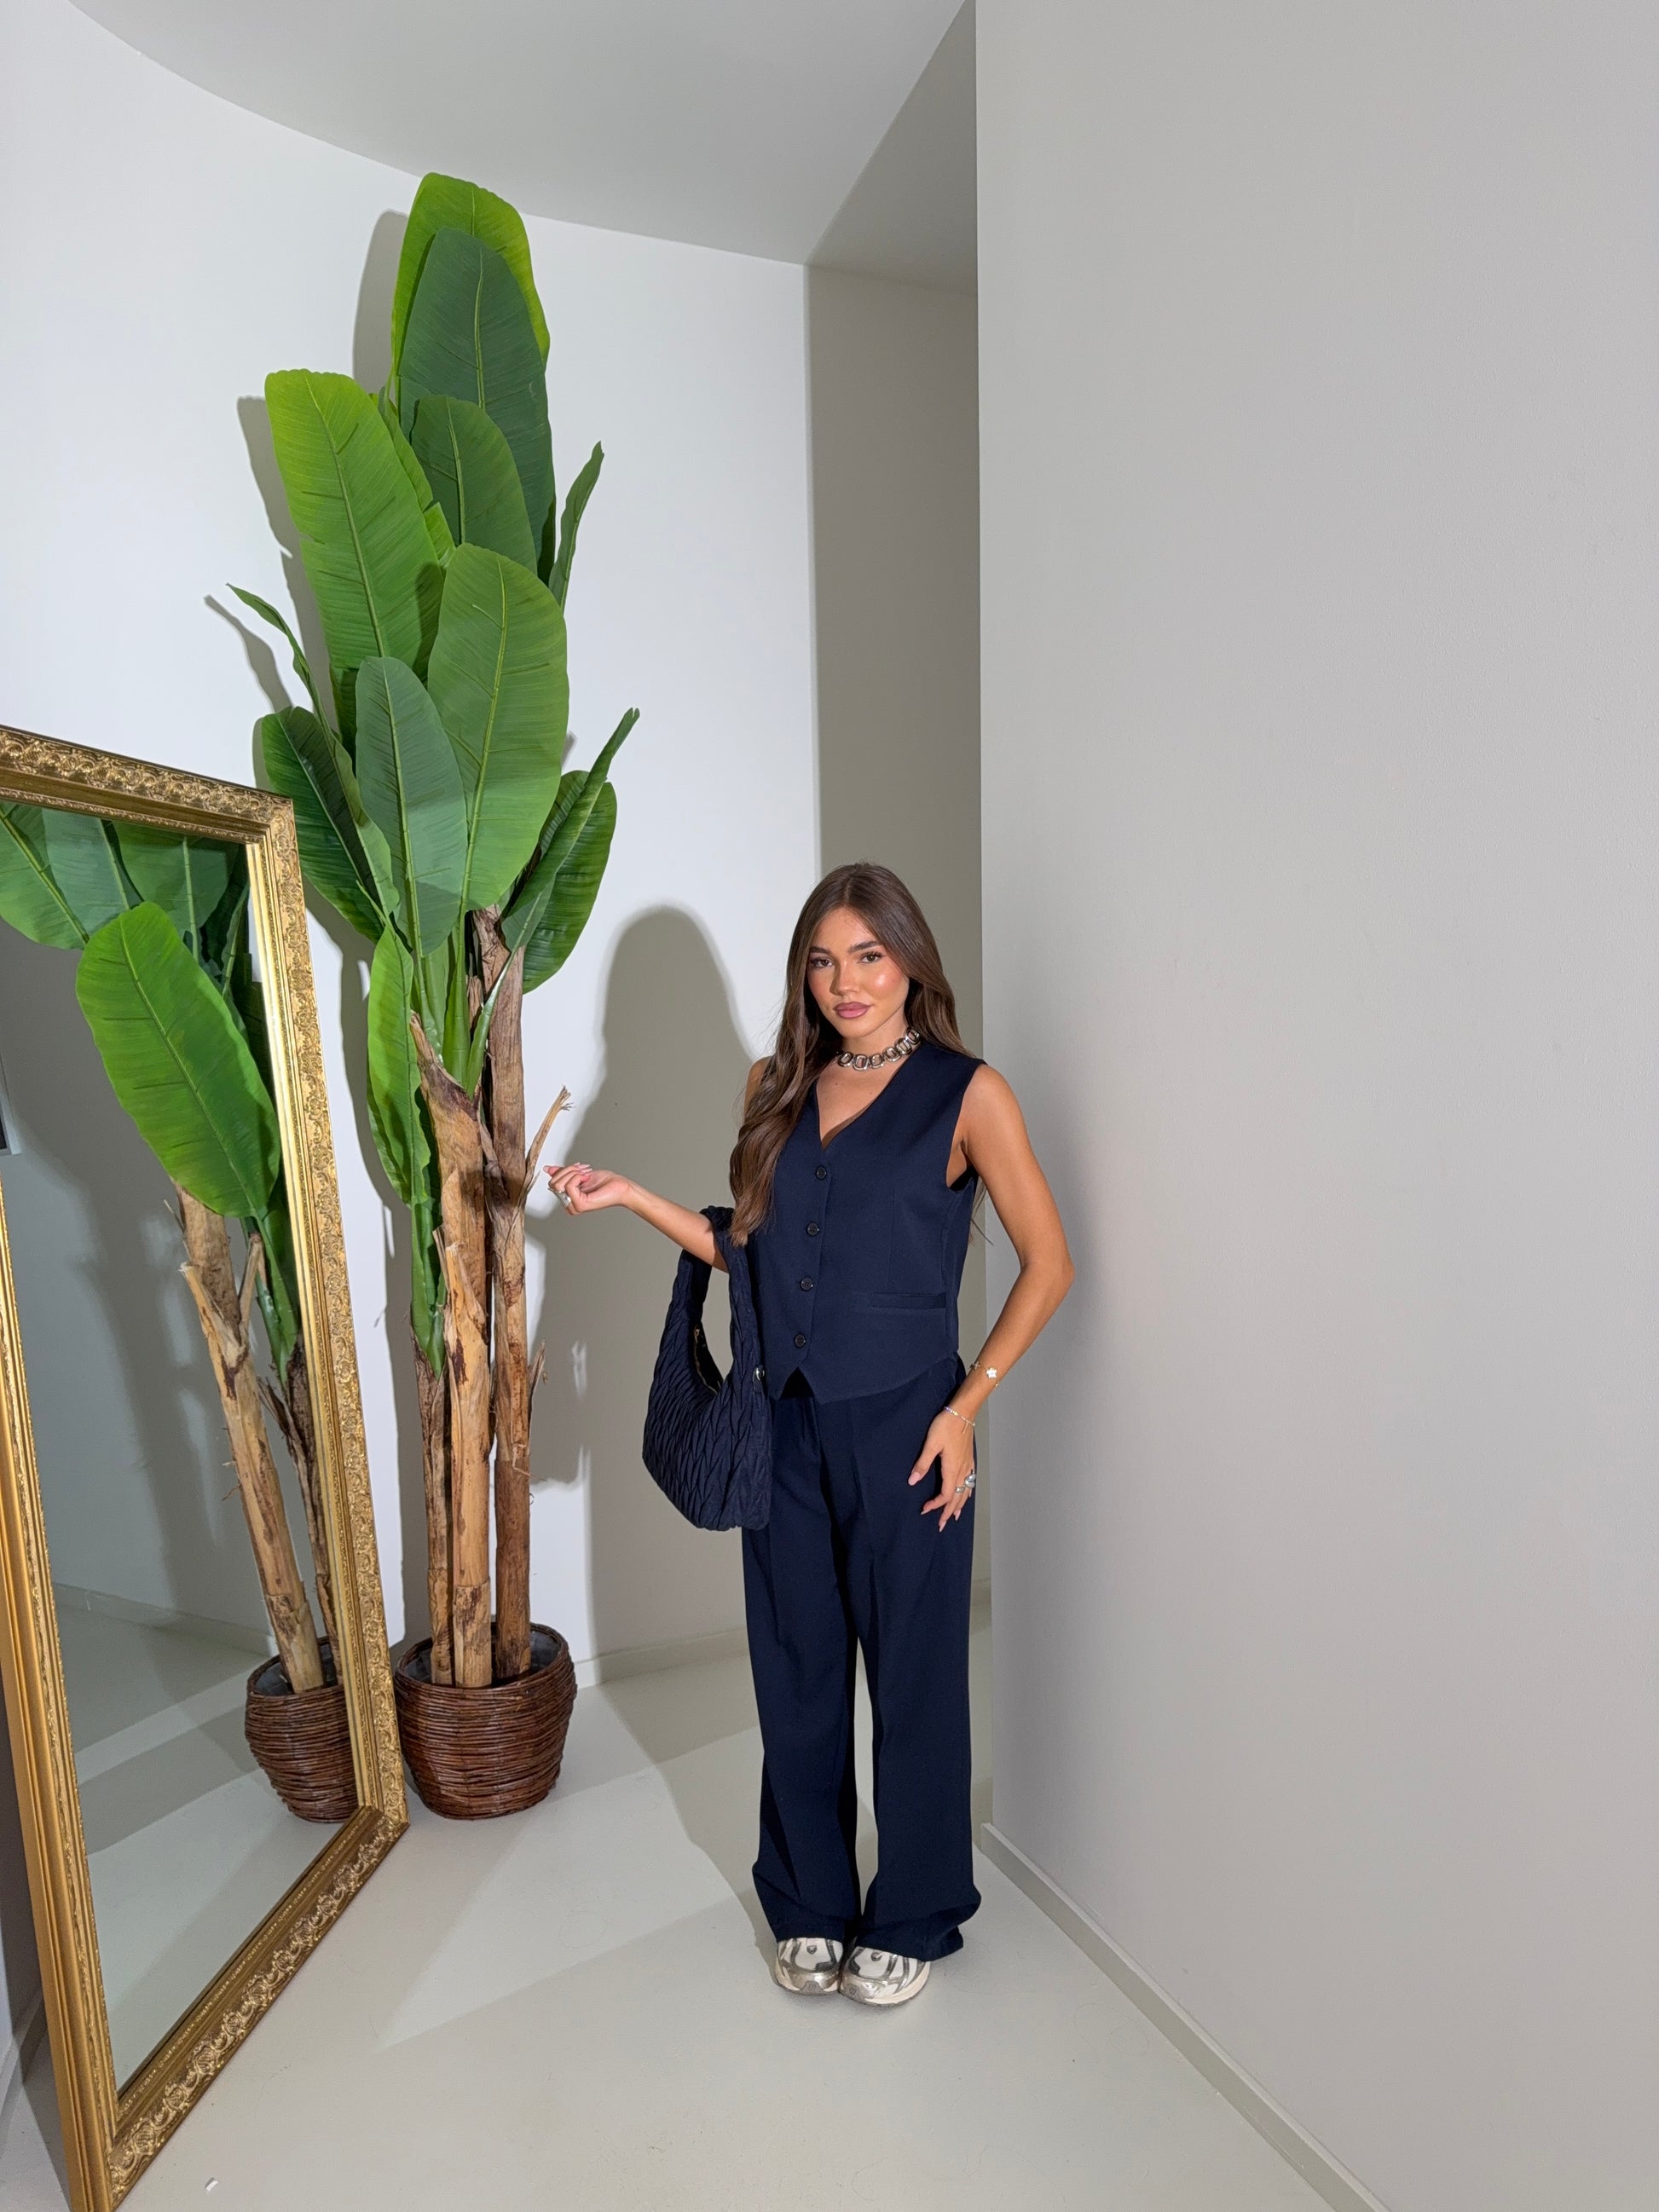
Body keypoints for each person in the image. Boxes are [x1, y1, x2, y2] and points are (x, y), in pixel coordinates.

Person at [546, 862, 1074, 2007]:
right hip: (778, 1425)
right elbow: (747, 1246)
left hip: (910, 1431)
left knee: (915, 1677)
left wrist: (965, 1408)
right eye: (824, 962)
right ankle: (808, 1903)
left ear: (910, 963)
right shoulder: (774, 1084)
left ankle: (917, 1910)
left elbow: (1050, 1264)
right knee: (795, 1674)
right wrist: (632, 1197)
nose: (846, 983)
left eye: (869, 957)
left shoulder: (968, 1094)